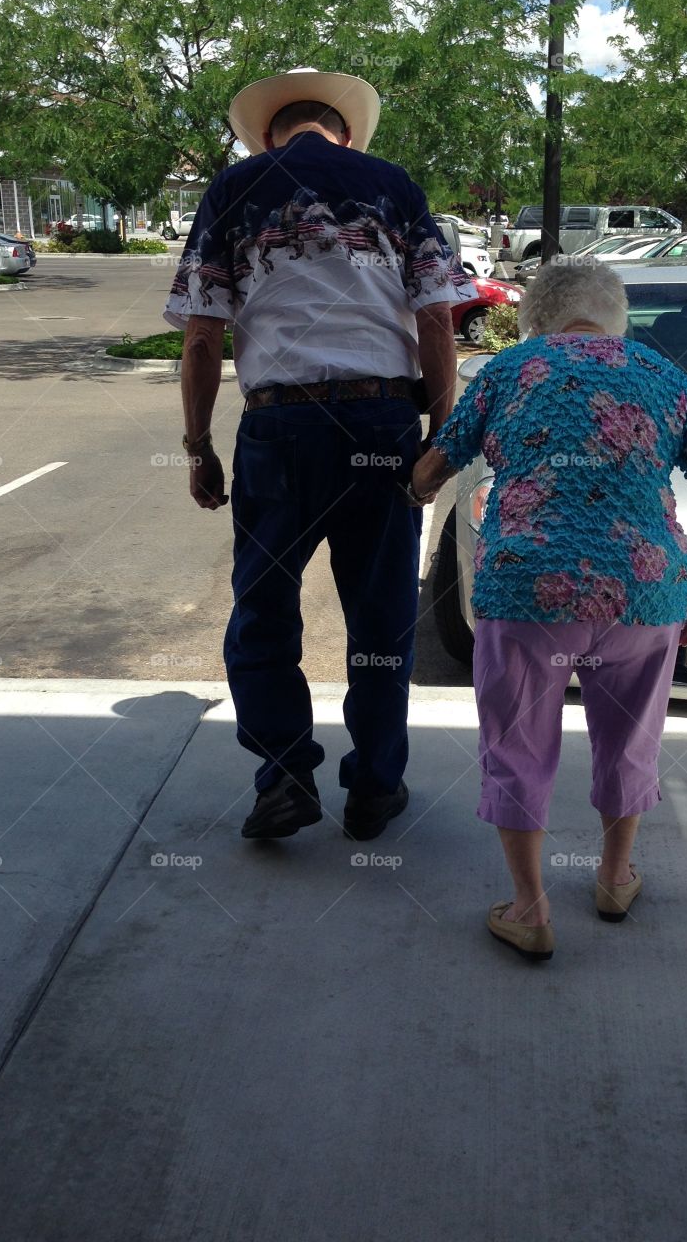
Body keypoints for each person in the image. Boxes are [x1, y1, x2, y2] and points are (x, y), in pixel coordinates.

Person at [163, 67, 475, 841]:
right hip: (382, 424)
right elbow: (436, 323)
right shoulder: (392, 186)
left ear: (270, 133)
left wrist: (199, 447)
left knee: (263, 611)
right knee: (382, 617)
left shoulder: (234, 190)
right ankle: (373, 788)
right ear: (343, 130)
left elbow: (202, 336)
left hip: (279, 429)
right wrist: (442, 436)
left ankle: (284, 777)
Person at [409, 258, 687, 960]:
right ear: (613, 316)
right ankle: (616, 879)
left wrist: (412, 483)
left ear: (537, 318)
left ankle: (529, 910)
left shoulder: (508, 369)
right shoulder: (663, 374)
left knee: (518, 743)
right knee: (630, 738)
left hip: (528, 589)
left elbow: (432, 470)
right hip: (645, 592)